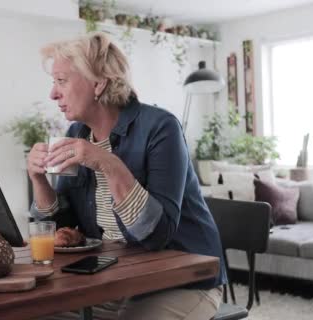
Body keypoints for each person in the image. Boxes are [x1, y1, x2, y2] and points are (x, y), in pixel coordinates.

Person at [28, 32, 227, 320]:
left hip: (183, 282)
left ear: (98, 83)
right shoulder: (77, 134)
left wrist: (108, 163)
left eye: (61, 81)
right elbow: (66, 233)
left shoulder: (161, 128)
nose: (53, 94)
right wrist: (39, 181)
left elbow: (156, 235)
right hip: (115, 277)